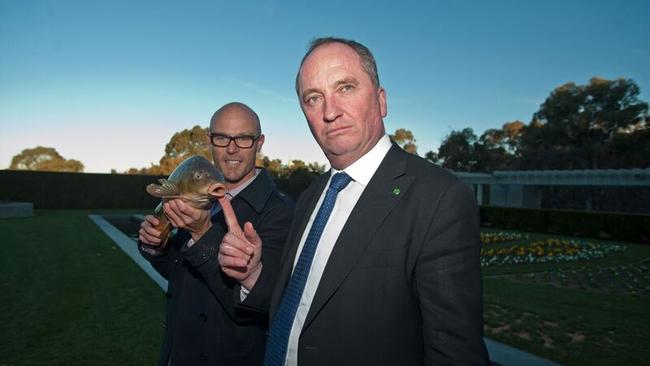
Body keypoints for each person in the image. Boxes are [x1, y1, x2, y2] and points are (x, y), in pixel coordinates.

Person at [218, 38, 488, 365]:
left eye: (345, 87)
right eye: (313, 98)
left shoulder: (439, 199)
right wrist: (252, 275)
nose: (330, 112)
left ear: (381, 100)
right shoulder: (311, 196)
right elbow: (302, 306)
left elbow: (455, 353)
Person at [138, 102, 294, 366]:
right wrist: (157, 245)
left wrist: (202, 234)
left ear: (259, 142)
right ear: (210, 140)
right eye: (222, 137)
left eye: (243, 138)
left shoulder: (281, 212)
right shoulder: (200, 197)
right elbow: (181, 274)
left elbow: (264, 302)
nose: (231, 148)